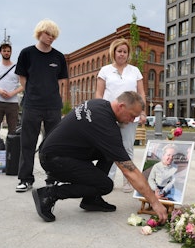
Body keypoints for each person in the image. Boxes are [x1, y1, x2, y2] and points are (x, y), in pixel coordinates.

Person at [32, 91, 168, 224]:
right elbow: (129, 171)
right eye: (132, 116)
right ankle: (49, 194)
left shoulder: (99, 104)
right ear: (121, 106)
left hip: (56, 151)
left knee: (109, 152)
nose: (132, 121)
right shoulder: (105, 125)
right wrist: (154, 202)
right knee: (105, 186)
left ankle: (91, 199)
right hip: (55, 160)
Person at [14, 19, 68, 192]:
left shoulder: (58, 57)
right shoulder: (26, 54)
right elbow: (22, 79)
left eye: (53, 35)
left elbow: (60, 82)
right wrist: (32, 93)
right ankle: (25, 179)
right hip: (32, 105)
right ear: (39, 33)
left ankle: (53, 178)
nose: (50, 37)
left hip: (53, 106)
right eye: (47, 34)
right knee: (27, 143)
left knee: (53, 144)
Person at [95, 38, 146, 193]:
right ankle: (107, 180)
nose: (122, 54)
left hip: (130, 116)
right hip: (109, 115)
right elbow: (99, 93)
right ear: (114, 52)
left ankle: (128, 180)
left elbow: (141, 92)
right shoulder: (105, 71)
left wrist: (143, 111)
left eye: (125, 52)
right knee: (108, 148)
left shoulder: (135, 71)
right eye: (119, 51)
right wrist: (99, 111)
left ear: (128, 54)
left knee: (127, 148)